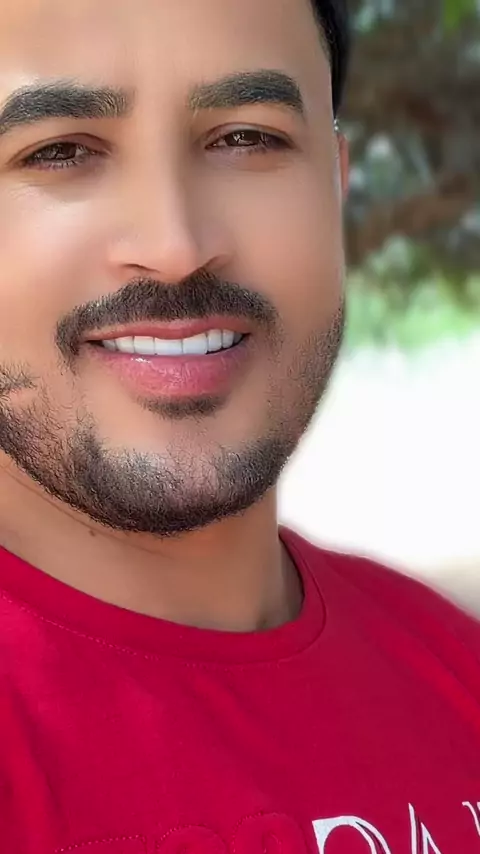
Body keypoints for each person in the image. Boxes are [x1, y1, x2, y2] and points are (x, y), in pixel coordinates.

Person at [0, 0, 479, 851]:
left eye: (247, 138)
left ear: (335, 185)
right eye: (60, 150)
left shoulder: (457, 668)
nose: (176, 246)